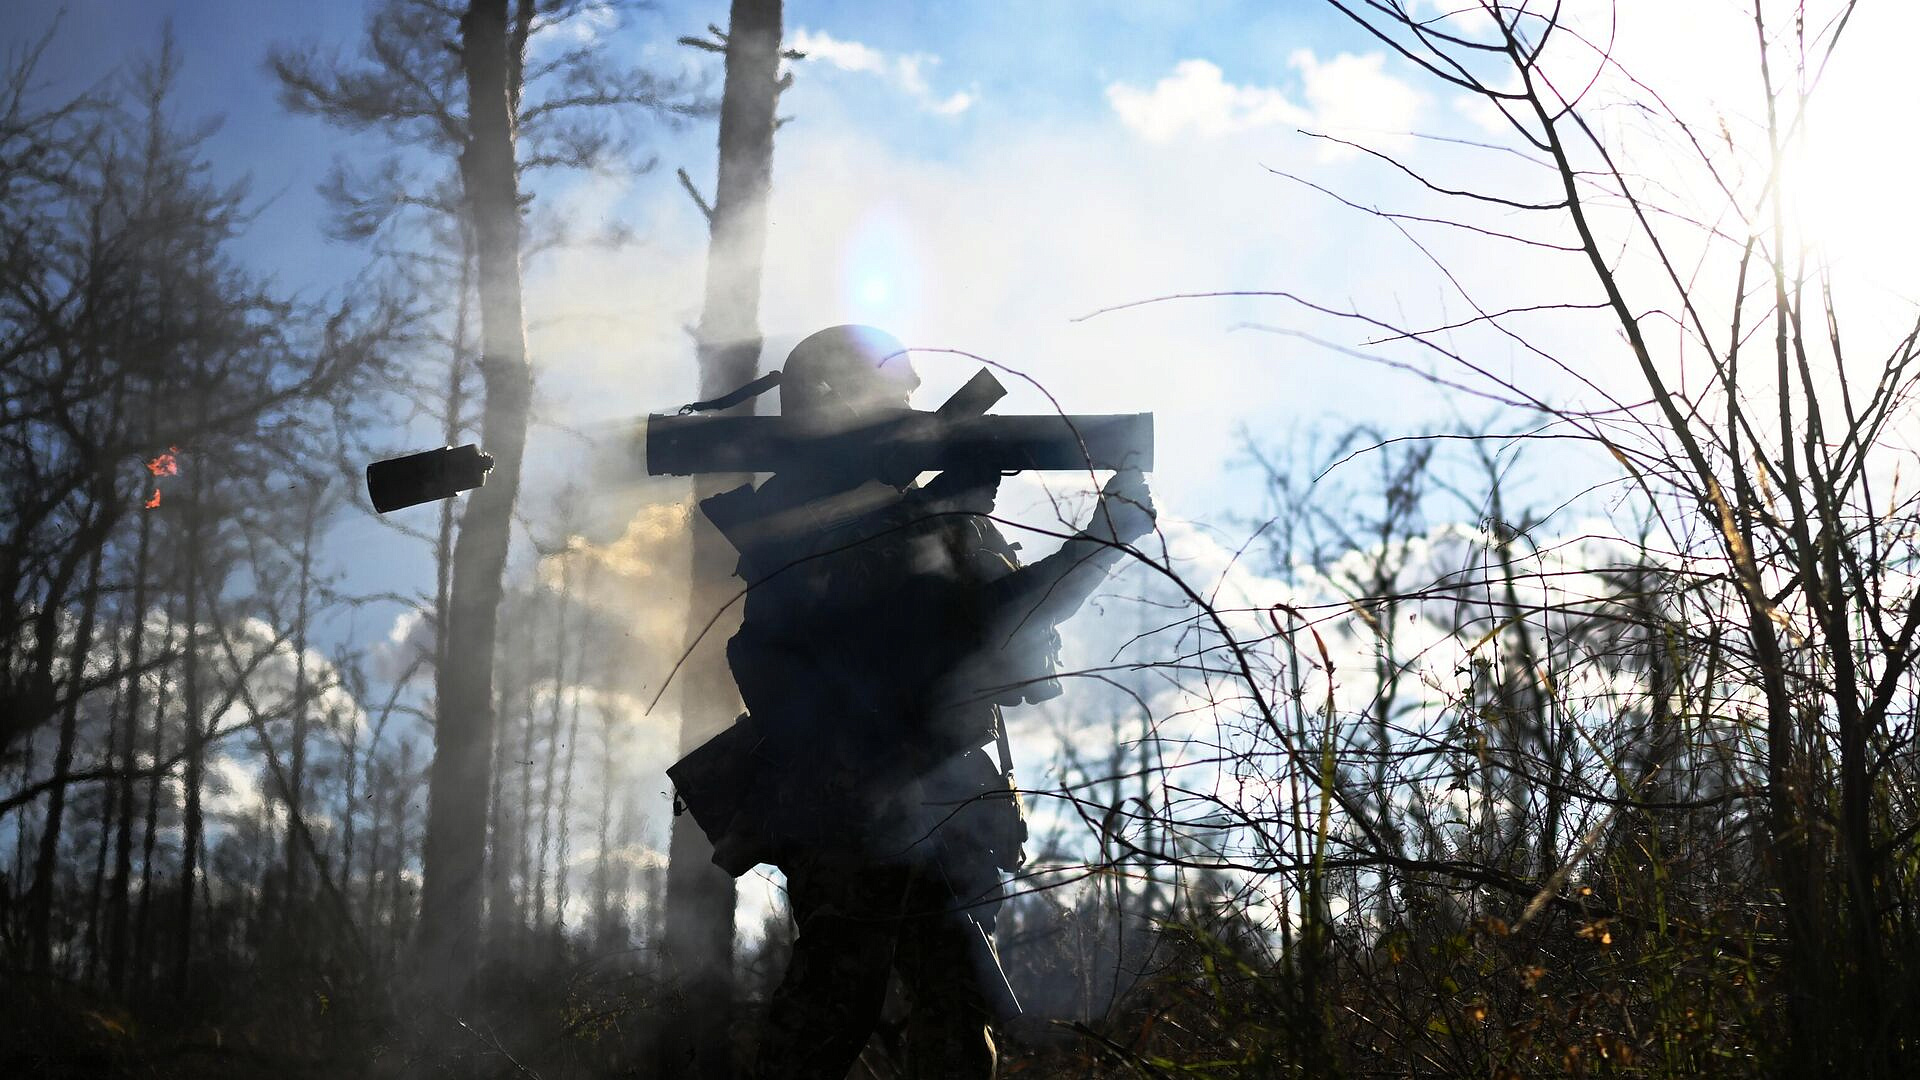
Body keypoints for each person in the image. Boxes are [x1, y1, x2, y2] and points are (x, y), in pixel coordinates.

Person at [675, 325, 1155, 1080]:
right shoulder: (818, 521)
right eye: (892, 392)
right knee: (842, 1001)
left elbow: (964, 623)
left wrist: (957, 506)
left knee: (947, 1007)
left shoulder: (863, 513)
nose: (911, 404)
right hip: (854, 803)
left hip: (925, 798)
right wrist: (1097, 539)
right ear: (841, 403)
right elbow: (970, 630)